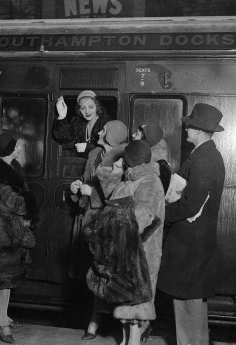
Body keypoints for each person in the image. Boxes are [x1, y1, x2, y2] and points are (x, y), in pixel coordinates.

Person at [157, 103, 226, 345]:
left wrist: (161, 213)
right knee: (188, 306)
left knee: (188, 307)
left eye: (189, 125)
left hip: (190, 245)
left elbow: (190, 205)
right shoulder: (204, 155)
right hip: (191, 244)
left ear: (198, 130)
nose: (186, 128)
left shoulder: (205, 159)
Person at [87, 140, 165, 345]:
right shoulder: (131, 179)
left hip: (141, 250)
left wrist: (111, 223)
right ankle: (126, 341)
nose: (121, 160)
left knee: (135, 302)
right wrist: (112, 173)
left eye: (125, 157)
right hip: (125, 247)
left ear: (132, 160)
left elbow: (142, 216)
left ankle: (133, 341)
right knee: (124, 299)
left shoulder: (149, 181)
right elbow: (113, 199)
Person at [69, 120, 128, 340]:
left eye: (104, 129)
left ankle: (123, 327)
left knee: (111, 274)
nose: (99, 131)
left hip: (109, 223)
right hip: (91, 220)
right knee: (95, 273)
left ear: (112, 136)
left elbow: (120, 194)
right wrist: (78, 188)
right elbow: (87, 181)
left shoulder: (123, 158)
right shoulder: (94, 153)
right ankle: (95, 320)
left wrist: (91, 192)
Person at [0, 133, 39, 345]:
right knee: (4, 280)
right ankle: (2, 323)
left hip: (11, 230)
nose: (20, 149)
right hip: (0, 233)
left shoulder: (12, 167)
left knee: (8, 277)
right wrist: (30, 204)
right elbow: (11, 202)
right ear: (8, 150)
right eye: (16, 146)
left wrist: (27, 210)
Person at [52, 90, 110, 157]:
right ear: (79, 110)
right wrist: (62, 116)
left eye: (91, 107)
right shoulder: (78, 122)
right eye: (83, 108)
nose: (87, 111)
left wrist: (88, 147)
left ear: (97, 107)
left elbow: (109, 149)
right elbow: (61, 137)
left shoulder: (105, 123)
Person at [132, 122, 171, 194]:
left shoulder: (152, 164)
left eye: (137, 134)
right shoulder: (157, 160)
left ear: (145, 141)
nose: (133, 135)